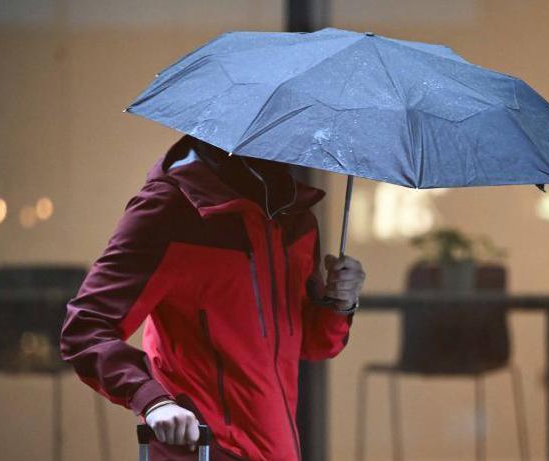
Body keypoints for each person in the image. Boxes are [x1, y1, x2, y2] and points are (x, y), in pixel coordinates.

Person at [60, 135, 365, 460]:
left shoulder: (295, 219)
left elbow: (311, 344)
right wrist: (151, 399)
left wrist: (339, 302)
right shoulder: (173, 210)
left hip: (278, 449)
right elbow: (86, 329)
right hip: (201, 448)